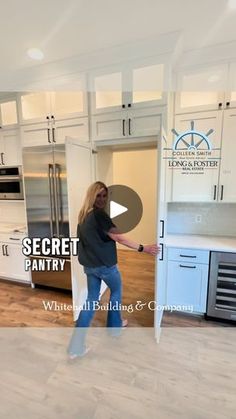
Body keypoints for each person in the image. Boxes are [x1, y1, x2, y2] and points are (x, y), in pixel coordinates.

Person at [68, 181, 159, 359]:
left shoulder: (83, 215)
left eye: (104, 195)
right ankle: (114, 328)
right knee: (116, 291)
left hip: (90, 266)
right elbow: (119, 238)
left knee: (91, 301)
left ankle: (75, 347)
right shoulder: (99, 215)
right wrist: (143, 248)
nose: (102, 199)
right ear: (92, 196)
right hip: (105, 266)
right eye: (99, 195)